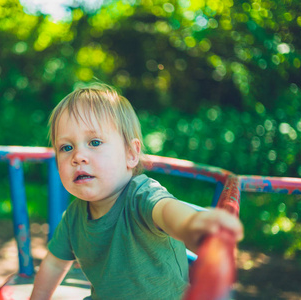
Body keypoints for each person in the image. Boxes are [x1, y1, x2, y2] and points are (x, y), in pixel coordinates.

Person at [30, 83, 243, 300]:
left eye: (94, 142)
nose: (78, 156)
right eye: (66, 147)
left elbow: (168, 212)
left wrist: (192, 226)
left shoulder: (141, 196)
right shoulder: (74, 217)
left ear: (131, 154)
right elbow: (54, 264)